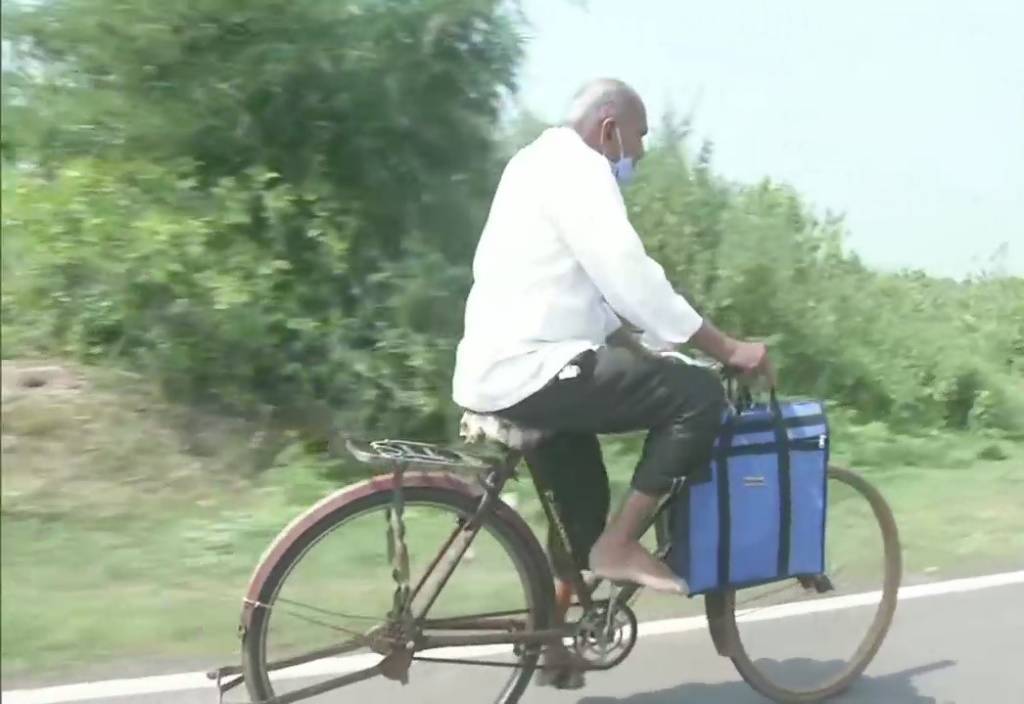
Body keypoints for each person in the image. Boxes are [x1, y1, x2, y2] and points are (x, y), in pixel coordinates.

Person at [452, 78, 774, 687]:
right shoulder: (580, 171)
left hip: (507, 368)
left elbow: (591, 302)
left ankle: (552, 647)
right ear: (610, 129)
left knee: (581, 508)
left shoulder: (532, 163)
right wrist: (728, 348)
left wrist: (651, 349)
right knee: (697, 399)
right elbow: (632, 280)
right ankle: (621, 547)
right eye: (640, 136)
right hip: (534, 369)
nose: (642, 154)